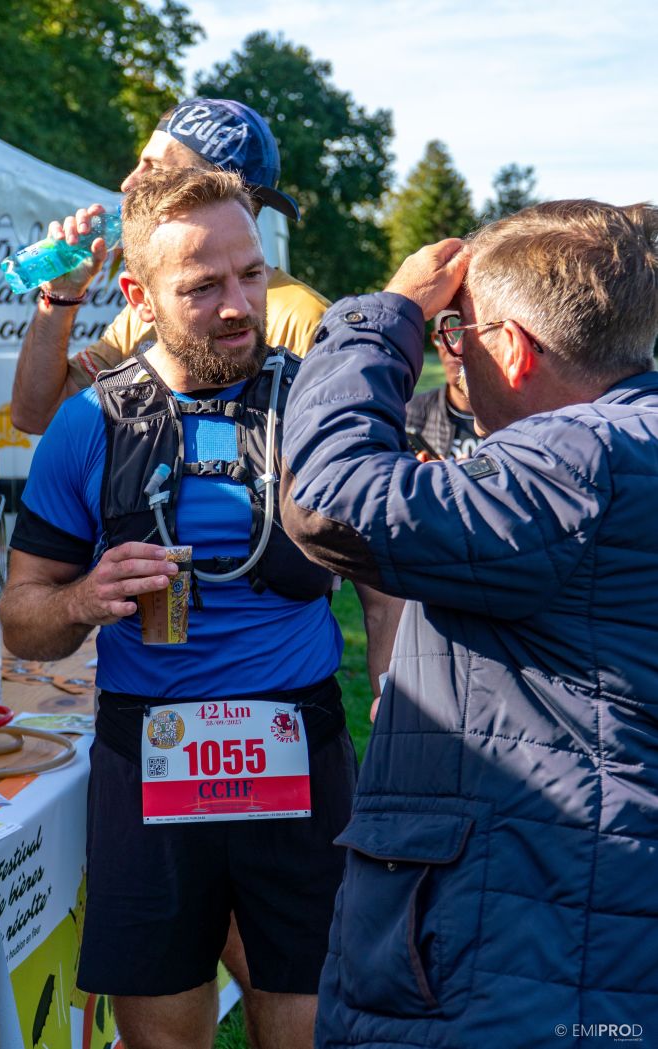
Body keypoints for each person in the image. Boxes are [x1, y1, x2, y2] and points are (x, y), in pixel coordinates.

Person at [0, 169, 400, 1049]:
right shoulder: (89, 425)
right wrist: (85, 596)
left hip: (298, 744)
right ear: (138, 298)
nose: (238, 305)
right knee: (162, 1034)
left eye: (251, 275)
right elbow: (21, 621)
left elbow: (383, 586)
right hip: (148, 754)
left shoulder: (318, 410)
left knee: (308, 1021)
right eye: (203, 285)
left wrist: (394, 698)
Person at [280, 200, 658, 1047]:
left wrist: (384, 318)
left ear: (512, 348)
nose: (452, 353)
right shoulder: (629, 447)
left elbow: (328, 499)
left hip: (524, 954)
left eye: (458, 333)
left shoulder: (573, 459)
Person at [11, 97, 330, 435]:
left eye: (154, 168)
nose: (129, 183)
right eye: (202, 288)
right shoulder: (150, 309)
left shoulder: (306, 319)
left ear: (206, 187)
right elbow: (38, 416)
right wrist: (60, 296)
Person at [405, 310, 482, 461]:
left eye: (461, 334)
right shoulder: (414, 412)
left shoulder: (513, 415)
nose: (450, 348)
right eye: (443, 337)